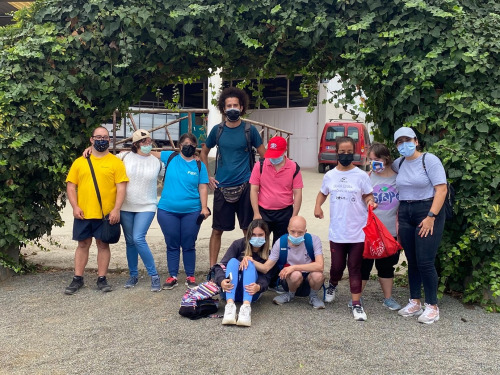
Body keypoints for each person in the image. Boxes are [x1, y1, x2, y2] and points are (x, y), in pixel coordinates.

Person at [200, 87, 266, 267]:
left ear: (242, 107)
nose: (232, 108)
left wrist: (257, 179)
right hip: (222, 187)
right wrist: (208, 176)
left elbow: (264, 156)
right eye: (228, 105)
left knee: (248, 230)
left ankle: (251, 265)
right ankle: (213, 268)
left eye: (235, 105)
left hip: (245, 186)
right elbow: (203, 152)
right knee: (216, 230)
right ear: (223, 108)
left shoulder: (249, 130)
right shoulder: (217, 131)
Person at [314, 136, 376, 321]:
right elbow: (322, 192)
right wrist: (318, 206)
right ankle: (332, 284)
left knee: (355, 267)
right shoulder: (330, 175)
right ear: (337, 153)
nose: (346, 155)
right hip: (338, 231)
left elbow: (368, 195)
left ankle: (356, 304)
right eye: (343, 152)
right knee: (337, 267)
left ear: (355, 152)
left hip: (358, 231)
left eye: (350, 152)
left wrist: (371, 202)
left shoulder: (361, 175)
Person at [392, 127, 447, 324]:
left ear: (416, 141)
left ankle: (432, 305)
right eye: (399, 142)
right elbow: (384, 174)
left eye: (407, 140)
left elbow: (441, 189)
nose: (403, 145)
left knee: (425, 261)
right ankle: (415, 301)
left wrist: (432, 216)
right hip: (405, 212)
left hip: (427, 211)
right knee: (412, 260)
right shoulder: (398, 163)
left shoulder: (429, 160)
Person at [64, 126, 129, 295]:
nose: (102, 140)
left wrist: (116, 209)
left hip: (106, 215)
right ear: (91, 140)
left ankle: (102, 278)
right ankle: (77, 278)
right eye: (98, 137)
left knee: (103, 244)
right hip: (83, 213)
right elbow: (71, 186)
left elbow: (121, 188)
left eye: (105, 137)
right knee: (82, 244)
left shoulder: (116, 163)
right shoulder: (80, 162)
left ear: (109, 140)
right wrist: (75, 206)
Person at [157, 133, 210, 290]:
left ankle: (190, 276)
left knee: (188, 244)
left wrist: (204, 207)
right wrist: (127, 152)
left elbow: (202, 187)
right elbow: (148, 153)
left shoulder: (199, 165)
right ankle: (172, 276)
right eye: (185, 143)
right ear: (179, 145)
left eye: (192, 144)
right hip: (167, 210)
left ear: (195, 147)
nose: (189, 146)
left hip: (192, 211)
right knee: (172, 244)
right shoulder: (171, 156)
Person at [116, 129, 162, 292]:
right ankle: (133, 275)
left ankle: (154, 275)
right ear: (135, 144)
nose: (148, 144)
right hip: (126, 206)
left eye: (149, 141)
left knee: (138, 238)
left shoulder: (157, 161)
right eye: (144, 142)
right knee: (130, 241)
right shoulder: (123, 157)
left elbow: (172, 167)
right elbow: (106, 161)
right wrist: (88, 150)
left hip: (147, 206)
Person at [248, 216, 326, 310]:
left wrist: (293, 267)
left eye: (300, 232)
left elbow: (320, 266)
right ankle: (290, 294)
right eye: (293, 231)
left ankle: (313, 296)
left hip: (309, 280)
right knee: (295, 274)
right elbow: (266, 268)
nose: (296, 235)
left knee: (318, 275)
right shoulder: (280, 242)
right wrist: (249, 260)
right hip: (290, 280)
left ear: (305, 231)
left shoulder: (314, 240)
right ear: (288, 229)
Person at [359, 142, 401, 310]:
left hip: (390, 232)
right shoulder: (368, 176)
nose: (373, 163)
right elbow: (362, 196)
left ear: (386, 159)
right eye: (370, 160)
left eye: (376, 159)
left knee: (386, 267)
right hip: (369, 231)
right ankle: (357, 298)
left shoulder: (398, 179)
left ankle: (388, 298)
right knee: (363, 266)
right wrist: (369, 201)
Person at [213, 219, 272, 327]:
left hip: (251, 292)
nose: (257, 238)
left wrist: (258, 287)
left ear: (266, 235)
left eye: (260, 235)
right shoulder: (238, 244)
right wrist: (221, 281)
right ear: (248, 234)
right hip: (229, 290)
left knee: (249, 263)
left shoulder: (269, 254)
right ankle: (230, 307)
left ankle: (246, 308)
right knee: (232, 261)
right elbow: (220, 267)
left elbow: (267, 277)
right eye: (253, 234)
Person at [249, 136, 303, 243]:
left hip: (284, 212)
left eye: (277, 154)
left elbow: (297, 193)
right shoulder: (260, 165)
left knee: (281, 245)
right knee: (259, 243)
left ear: (285, 151)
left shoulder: (293, 168)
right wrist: (256, 213)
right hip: (263, 212)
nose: (273, 158)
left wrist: (294, 216)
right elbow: (254, 190)